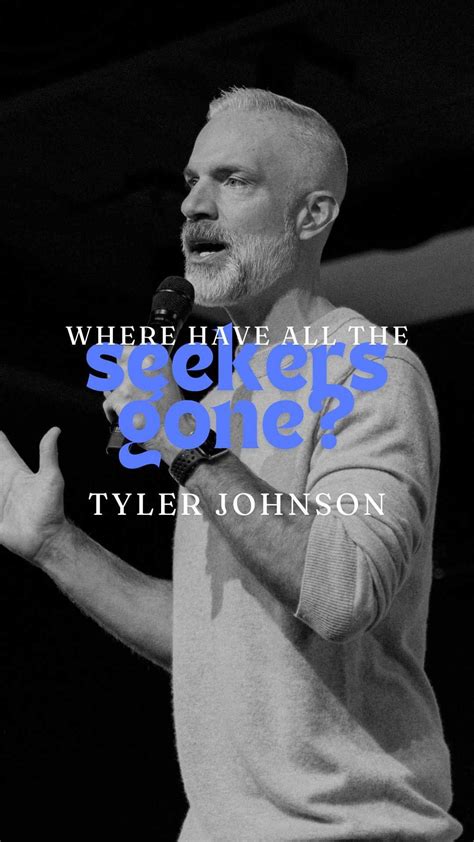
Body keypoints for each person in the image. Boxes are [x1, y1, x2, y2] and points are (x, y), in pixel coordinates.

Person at [0, 88, 462, 841]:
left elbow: (342, 593)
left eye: (234, 180)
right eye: (191, 182)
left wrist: (182, 442)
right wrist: (54, 544)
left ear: (311, 215)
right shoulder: (220, 405)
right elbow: (213, 641)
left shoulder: (368, 368)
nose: (193, 206)